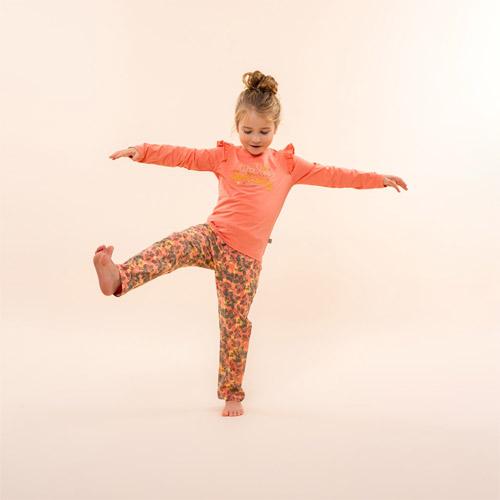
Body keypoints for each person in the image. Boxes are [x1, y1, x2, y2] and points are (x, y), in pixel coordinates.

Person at [93, 70, 408, 418]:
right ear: (236, 126)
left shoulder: (288, 165)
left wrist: (377, 179)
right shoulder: (225, 157)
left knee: (234, 324)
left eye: (263, 131)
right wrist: (141, 151)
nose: (255, 138)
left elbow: (334, 175)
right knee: (173, 246)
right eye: (247, 131)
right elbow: (182, 156)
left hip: (244, 260)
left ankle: (232, 394)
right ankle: (119, 276)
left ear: (275, 128)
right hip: (213, 237)